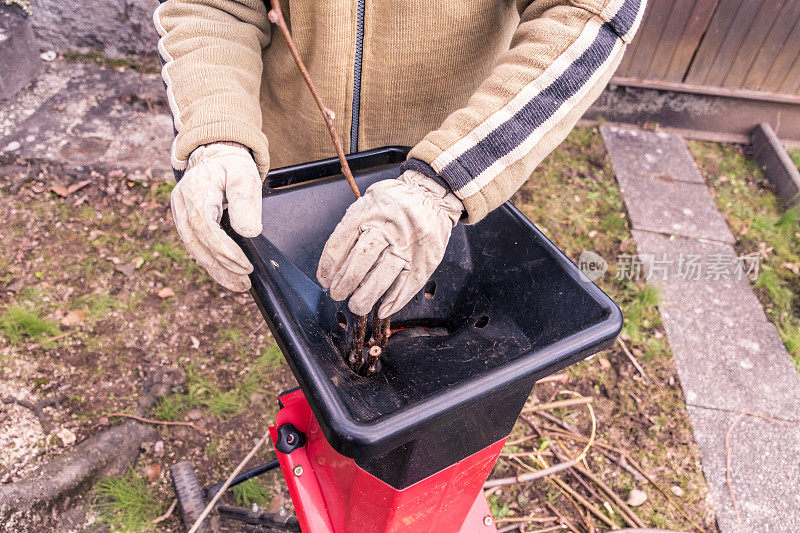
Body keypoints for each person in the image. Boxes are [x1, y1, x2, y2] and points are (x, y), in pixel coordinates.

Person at [154, 0, 645, 319]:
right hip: (287, 177)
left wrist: (447, 179)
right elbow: (209, 7)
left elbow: (591, 14)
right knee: (304, 328)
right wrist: (216, 133)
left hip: (444, 166)